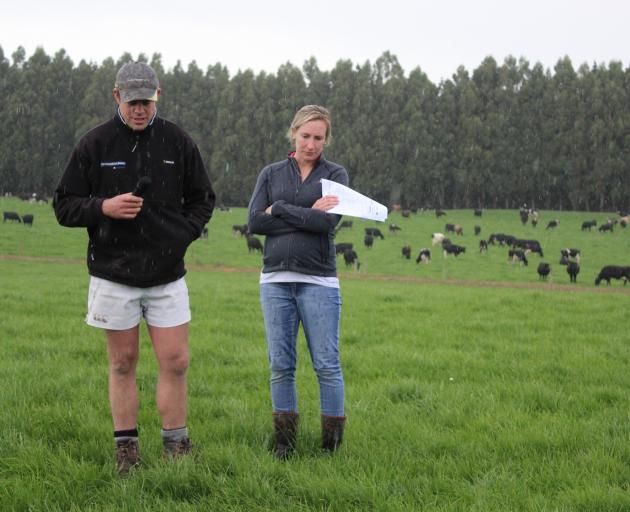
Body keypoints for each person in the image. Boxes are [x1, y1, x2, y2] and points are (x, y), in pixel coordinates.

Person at [53, 61, 215, 475]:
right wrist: (103, 207)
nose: (139, 109)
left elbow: (203, 199)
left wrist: (183, 234)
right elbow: (64, 205)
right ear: (116, 97)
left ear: (157, 96)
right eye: (131, 102)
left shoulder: (178, 142)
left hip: (167, 274)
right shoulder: (94, 144)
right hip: (113, 272)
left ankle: (176, 446)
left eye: (146, 101)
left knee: (176, 360)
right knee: (123, 362)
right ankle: (127, 451)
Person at [247, 105, 348, 458]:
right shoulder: (271, 173)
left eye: (318, 138)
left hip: (319, 282)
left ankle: (330, 449)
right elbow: (255, 223)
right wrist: (307, 213)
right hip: (275, 282)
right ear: (294, 134)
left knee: (326, 363)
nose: (311, 144)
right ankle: (284, 446)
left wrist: (282, 210)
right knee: (281, 365)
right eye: (305, 136)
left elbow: (327, 225)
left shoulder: (336, 175)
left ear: (326, 139)